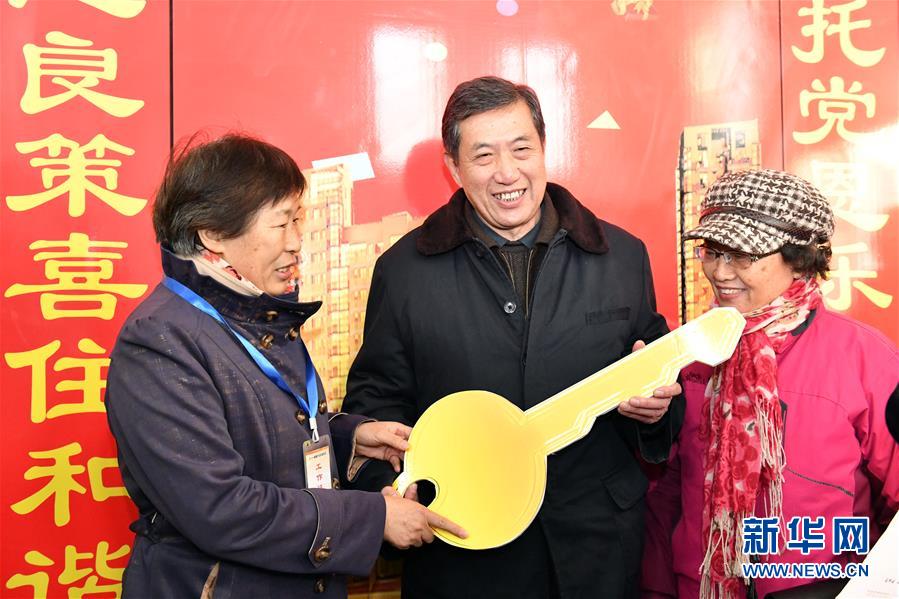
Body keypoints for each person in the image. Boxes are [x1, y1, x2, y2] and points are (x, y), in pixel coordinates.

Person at [342, 76, 682, 598]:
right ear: (454, 168)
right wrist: (389, 495)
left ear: (543, 149)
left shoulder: (620, 256)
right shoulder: (405, 271)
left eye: (521, 149)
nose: (507, 172)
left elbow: (659, 381)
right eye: (483, 155)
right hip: (466, 549)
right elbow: (376, 404)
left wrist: (656, 410)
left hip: (596, 548)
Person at [105, 134, 464, 599]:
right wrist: (373, 519)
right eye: (280, 223)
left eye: (299, 220)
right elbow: (221, 508)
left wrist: (347, 438)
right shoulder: (160, 341)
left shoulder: (257, 314)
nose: (297, 243)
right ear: (212, 234)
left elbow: (261, 436)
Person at [640, 169, 899, 598]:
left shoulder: (865, 357)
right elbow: (666, 493)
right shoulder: (690, 353)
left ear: (798, 258)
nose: (720, 271)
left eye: (741, 255)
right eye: (712, 252)